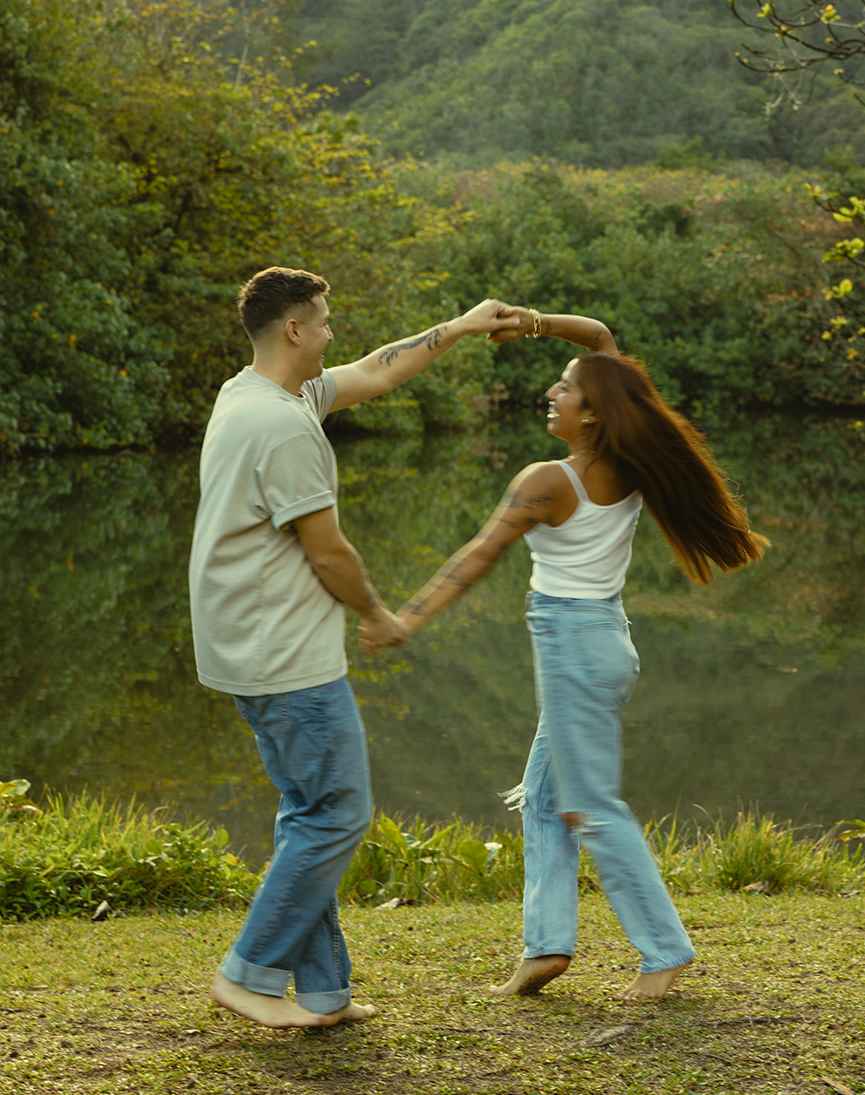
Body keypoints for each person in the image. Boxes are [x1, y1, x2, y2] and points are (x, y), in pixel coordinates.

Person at [363, 308, 768, 1000]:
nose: (551, 393)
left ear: (592, 414)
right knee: (547, 801)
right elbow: (605, 339)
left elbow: (480, 553)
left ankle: (663, 951)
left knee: (588, 805)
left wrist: (406, 617)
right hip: (606, 644)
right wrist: (535, 322)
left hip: (573, 646)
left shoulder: (546, 480)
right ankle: (545, 946)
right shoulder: (624, 461)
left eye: (564, 389)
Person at [188, 266, 519, 1029]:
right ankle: (248, 973)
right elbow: (328, 551)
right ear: (295, 329)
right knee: (337, 813)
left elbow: (379, 368)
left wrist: (462, 326)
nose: (335, 333)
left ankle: (325, 987)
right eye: (326, 321)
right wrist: (377, 614)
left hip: (249, 645)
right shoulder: (279, 425)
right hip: (283, 654)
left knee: (311, 809)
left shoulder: (258, 394)